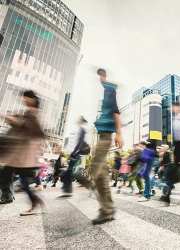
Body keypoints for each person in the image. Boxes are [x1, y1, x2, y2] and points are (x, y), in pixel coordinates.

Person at [0, 90, 45, 215]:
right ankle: (34, 202)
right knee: (11, 175)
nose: (24, 100)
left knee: (22, 180)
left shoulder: (33, 113)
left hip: (24, 153)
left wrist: (11, 119)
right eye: (23, 98)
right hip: (20, 153)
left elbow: (28, 128)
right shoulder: (30, 112)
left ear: (32, 99)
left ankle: (34, 202)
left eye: (26, 98)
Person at [90, 68, 123, 225]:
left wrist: (119, 133)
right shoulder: (105, 93)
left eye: (102, 76)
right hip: (102, 136)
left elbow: (116, 112)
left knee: (95, 171)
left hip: (105, 137)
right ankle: (107, 209)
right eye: (99, 76)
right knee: (100, 173)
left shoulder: (109, 91)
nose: (100, 79)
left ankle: (107, 209)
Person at [60, 116, 89, 197]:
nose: (77, 121)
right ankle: (67, 189)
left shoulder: (82, 130)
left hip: (76, 153)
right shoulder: (79, 129)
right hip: (75, 153)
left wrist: (74, 152)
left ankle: (88, 184)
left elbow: (80, 143)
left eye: (78, 120)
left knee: (72, 172)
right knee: (70, 171)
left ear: (81, 121)